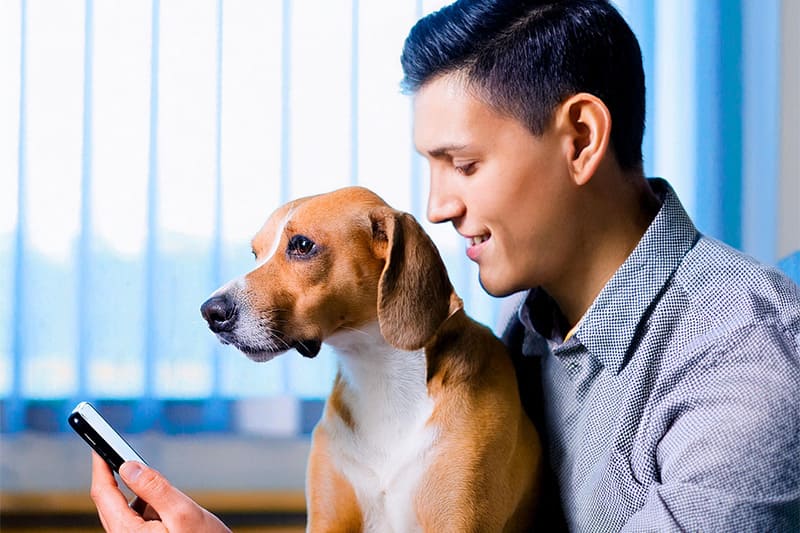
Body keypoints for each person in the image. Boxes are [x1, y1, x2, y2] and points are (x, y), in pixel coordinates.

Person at [90, 0, 800, 531]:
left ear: (580, 137)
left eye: (462, 164)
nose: (434, 207)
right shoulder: (517, 342)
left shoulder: (743, 355)